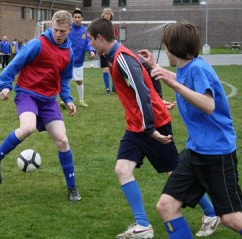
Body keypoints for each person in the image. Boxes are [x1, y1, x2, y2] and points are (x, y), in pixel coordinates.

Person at [87, 18, 220, 239]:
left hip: (152, 125)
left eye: (91, 39)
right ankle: (143, 226)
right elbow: (148, 80)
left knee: (174, 173)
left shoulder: (121, 59)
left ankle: (211, 212)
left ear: (100, 38)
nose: (90, 44)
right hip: (138, 125)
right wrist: (158, 100)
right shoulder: (116, 56)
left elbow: (140, 91)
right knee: (122, 169)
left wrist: (150, 127)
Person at [140, 22, 242, 239]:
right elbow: (184, 80)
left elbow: (208, 105)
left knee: (231, 219)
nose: (164, 50)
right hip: (195, 151)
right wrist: (156, 69)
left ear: (173, 48)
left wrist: (173, 85)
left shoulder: (199, 68)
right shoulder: (187, 67)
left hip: (217, 154)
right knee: (166, 206)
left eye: (166, 46)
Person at [0, 10, 81, 202]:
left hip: (48, 101)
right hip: (27, 94)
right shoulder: (37, 44)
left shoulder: (68, 53)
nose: (58, 34)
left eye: (62, 31)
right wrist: (5, 86)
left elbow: (64, 79)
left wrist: (68, 99)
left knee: (62, 141)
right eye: (55, 30)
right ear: (50, 27)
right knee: (27, 127)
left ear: (69, 29)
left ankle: (72, 188)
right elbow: (13, 65)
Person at [66, 8, 95, 107]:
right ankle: (65, 100)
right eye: (75, 17)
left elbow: (88, 43)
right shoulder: (68, 29)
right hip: (67, 60)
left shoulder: (85, 31)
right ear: (72, 18)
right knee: (66, 80)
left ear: (82, 18)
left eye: (79, 17)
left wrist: (91, 51)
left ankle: (81, 100)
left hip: (78, 60)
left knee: (79, 80)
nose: (77, 19)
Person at [100, 8, 118, 94]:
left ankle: (115, 88)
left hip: (112, 50)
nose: (107, 15)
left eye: (109, 14)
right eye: (105, 13)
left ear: (111, 15)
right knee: (106, 70)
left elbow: (115, 38)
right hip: (103, 50)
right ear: (103, 15)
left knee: (114, 69)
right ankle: (107, 90)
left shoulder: (113, 26)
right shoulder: (99, 25)